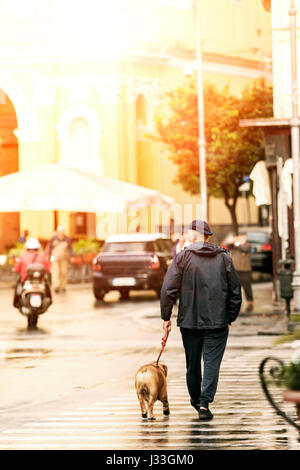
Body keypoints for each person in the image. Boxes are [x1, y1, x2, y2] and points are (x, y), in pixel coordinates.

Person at [160, 219, 242, 421]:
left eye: (189, 233)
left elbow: (168, 288)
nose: (187, 237)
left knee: (193, 363)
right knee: (212, 363)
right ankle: (204, 402)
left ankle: (196, 399)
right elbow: (235, 291)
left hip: (189, 321)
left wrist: (166, 316)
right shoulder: (223, 257)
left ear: (195, 235)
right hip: (217, 321)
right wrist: (229, 316)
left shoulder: (183, 257)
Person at [13, 238, 51, 308]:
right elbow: (48, 270)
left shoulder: (23, 256)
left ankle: (16, 303)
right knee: (47, 286)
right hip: (40, 281)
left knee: (17, 286)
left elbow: (16, 269)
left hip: (25, 280)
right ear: (37, 248)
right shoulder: (42, 257)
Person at [228, 234, 254, 312]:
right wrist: (232, 241)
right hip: (235, 271)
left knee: (247, 287)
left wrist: (237, 243)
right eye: (239, 237)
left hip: (245, 270)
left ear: (245, 238)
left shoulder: (248, 246)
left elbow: (244, 249)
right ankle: (236, 305)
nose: (240, 239)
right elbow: (227, 246)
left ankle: (250, 303)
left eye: (242, 237)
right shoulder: (234, 246)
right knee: (235, 288)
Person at [49, 226, 74, 293]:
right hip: (55, 258)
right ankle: (56, 286)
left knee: (63, 272)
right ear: (58, 232)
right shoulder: (53, 238)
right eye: (60, 232)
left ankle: (63, 286)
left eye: (62, 232)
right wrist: (49, 256)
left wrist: (72, 256)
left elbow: (70, 248)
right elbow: (49, 247)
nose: (61, 233)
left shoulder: (67, 239)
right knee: (56, 272)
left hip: (64, 258)